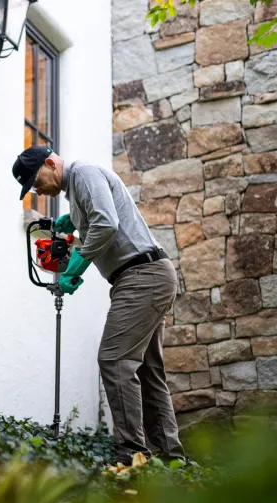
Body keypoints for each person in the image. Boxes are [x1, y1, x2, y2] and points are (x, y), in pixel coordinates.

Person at [12, 145, 187, 465]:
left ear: (50, 163)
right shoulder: (77, 189)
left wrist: (77, 265)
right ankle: (173, 461)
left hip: (141, 276)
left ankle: (131, 457)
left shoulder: (83, 174)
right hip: (144, 277)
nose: (37, 190)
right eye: (31, 189)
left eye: (36, 182)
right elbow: (97, 217)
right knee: (148, 371)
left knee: (114, 358)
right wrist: (71, 221)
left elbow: (106, 224)